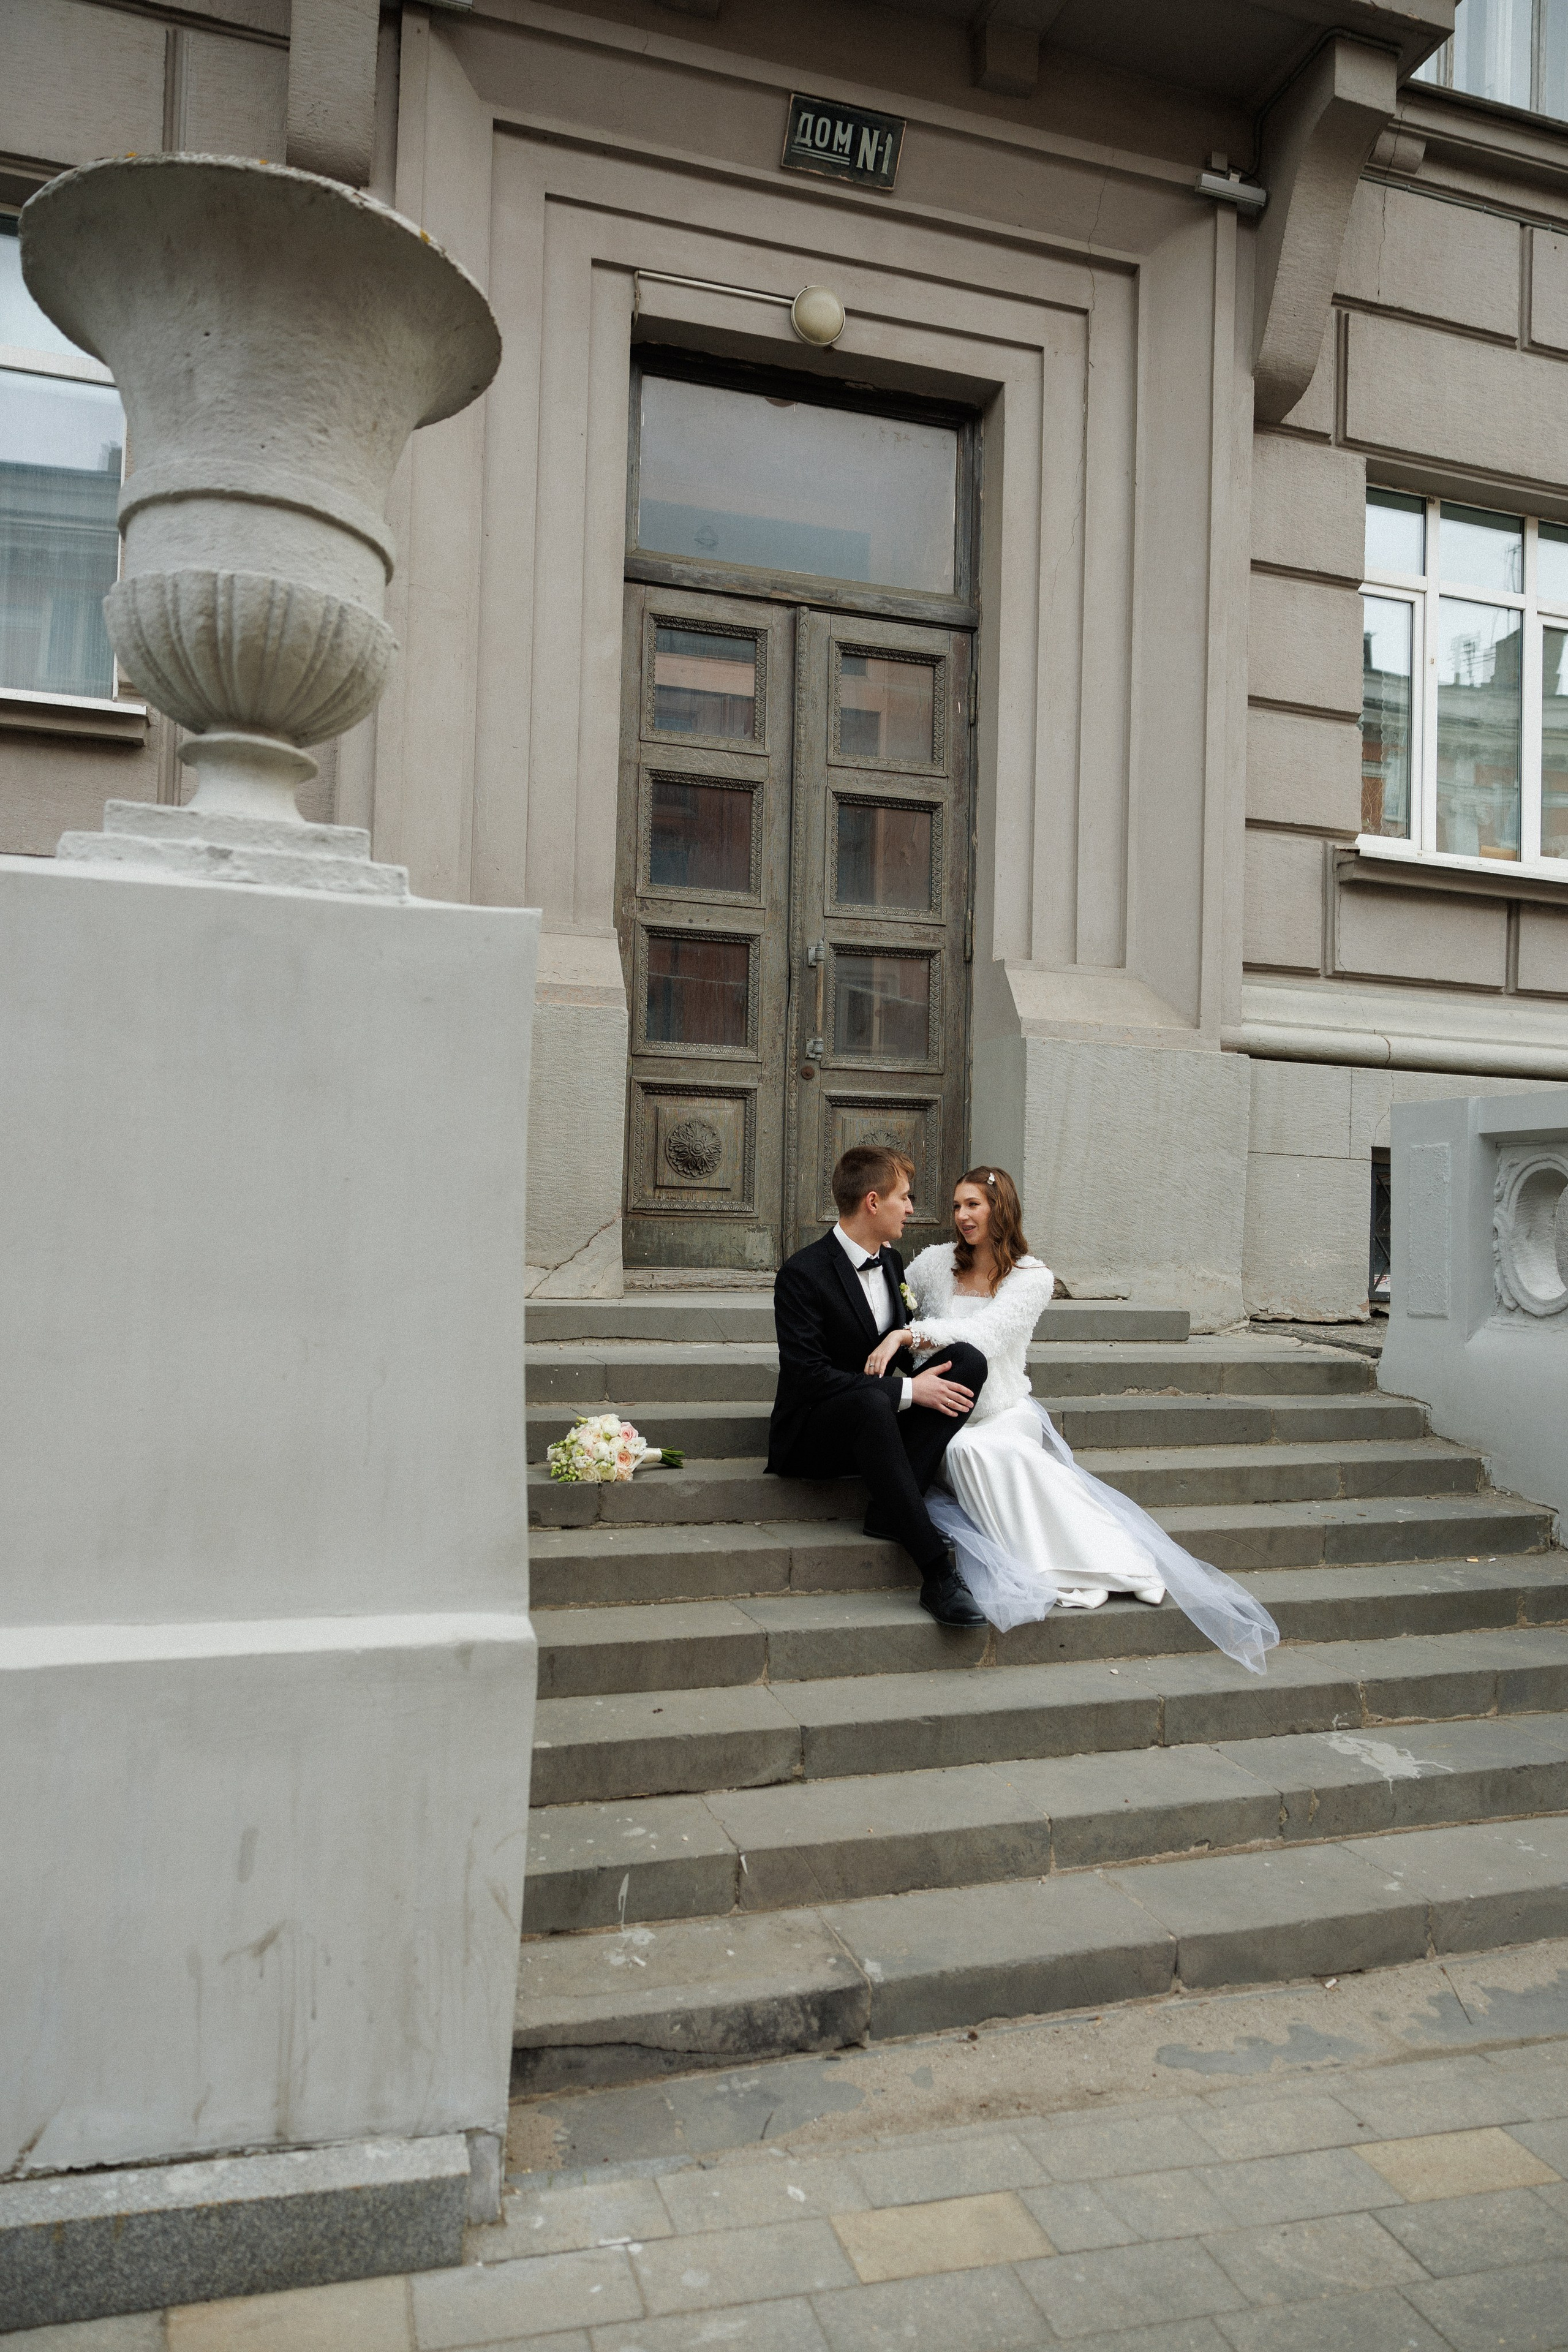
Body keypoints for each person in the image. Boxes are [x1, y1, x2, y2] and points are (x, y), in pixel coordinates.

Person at [862, 1166, 1280, 1673]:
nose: (962, 1216)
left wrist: (908, 1337)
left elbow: (989, 1338)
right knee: (963, 1448)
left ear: (1000, 1207)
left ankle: (1094, 1558)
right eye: (956, 1207)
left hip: (1001, 1408)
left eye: (973, 1204)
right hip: (945, 1408)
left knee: (994, 1450)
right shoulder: (933, 1263)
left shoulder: (1031, 1278)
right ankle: (1049, 1559)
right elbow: (888, 1297)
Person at [767, 1145, 989, 1627]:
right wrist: (910, 1394)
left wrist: (917, 1365)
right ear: (873, 1201)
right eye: (904, 1198)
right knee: (873, 1399)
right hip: (815, 1433)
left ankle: (891, 1510)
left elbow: (897, 1353)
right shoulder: (802, 1274)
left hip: (873, 1417)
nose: (911, 1209)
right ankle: (936, 1573)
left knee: (967, 1361)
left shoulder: (890, 1262)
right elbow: (809, 1378)